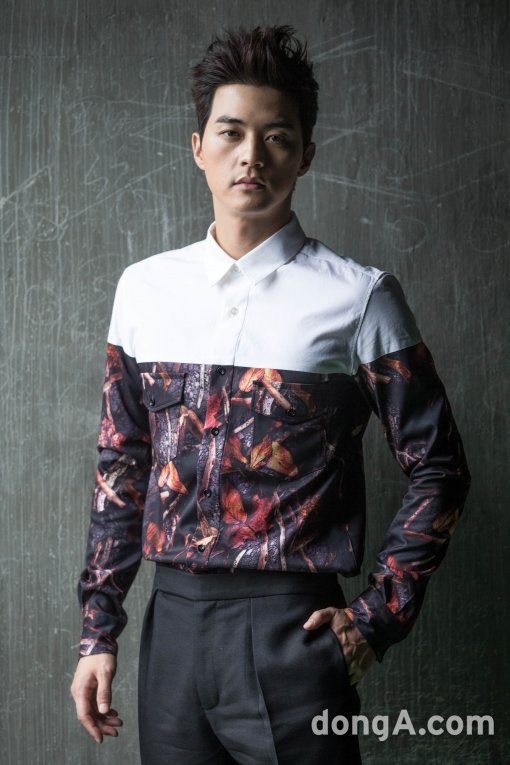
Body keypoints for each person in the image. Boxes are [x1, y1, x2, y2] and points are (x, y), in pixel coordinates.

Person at [70, 25, 470, 765]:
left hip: (294, 630)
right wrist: (99, 632)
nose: (251, 155)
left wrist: (378, 616)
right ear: (199, 147)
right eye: (231, 133)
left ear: (305, 154)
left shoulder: (360, 297)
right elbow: (121, 465)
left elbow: (439, 465)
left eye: (276, 136)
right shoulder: (144, 290)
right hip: (173, 628)